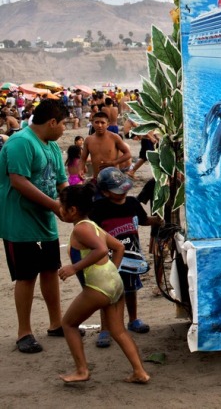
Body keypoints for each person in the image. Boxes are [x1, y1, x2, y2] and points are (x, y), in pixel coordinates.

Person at [56, 184, 150, 384]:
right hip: (114, 283)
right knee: (119, 330)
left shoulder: (81, 229)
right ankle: (139, 371)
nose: (59, 209)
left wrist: (74, 268)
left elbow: (99, 250)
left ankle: (82, 370)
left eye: (61, 205)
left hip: (98, 286)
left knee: (68, 324)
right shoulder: (93, 226)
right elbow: (117, 247)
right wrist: (112, 272)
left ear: (72, 210)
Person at [0, 99, 69, 354]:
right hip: (20, 222)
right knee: (26, 276)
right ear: (52, 122)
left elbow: (62, 183)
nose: (64, 129)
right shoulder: (21, 142)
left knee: (50, 269)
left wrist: (73, 206)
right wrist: (54, 206)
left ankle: (56, 323)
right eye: (63, 124)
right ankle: (24, 332)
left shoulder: (51, 146)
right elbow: (18, 181)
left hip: (45, 221)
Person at [90, 168, 163, 347]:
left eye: (124, 189)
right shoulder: (98, 208)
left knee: (131, 289)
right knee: (108, 293)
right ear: (105, 192)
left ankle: (133, 319)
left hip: (132, 258)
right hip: (108, 260)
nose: (123, 193)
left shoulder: (132, 203)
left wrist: (158, 219)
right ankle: (105, 328)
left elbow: (143, 219)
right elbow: (91, 230)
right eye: (117, 191)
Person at [81, 111, 132, 179]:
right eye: (97, 122)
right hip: (97, 178)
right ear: (92, 123)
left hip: (113, 177)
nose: (99, 125)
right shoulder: (88, 140)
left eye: (102, 122)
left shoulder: (114, 137)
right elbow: (83, 158)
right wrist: (80, 170)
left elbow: (128, 154)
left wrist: (114, 162)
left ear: (107, 124)